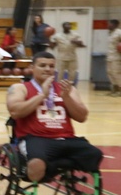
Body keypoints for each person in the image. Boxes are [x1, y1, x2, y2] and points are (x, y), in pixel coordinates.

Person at [6, 51, 102, 183]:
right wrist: (42, 95)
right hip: (35, 138)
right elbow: (15, 112)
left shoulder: (67, 89)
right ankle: (43, 170)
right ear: (32, 68)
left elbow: (82, 117)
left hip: (66, 138)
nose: (47, 69)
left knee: (94, 154)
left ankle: (52, 168)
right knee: (37, 164)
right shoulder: (20, 88)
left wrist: (66, 97)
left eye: (51, 66)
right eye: (43, 65)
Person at [108, 19, 121, 96]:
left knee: (117, 74)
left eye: (110, 24)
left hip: (116, 57)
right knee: (110, 73)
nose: (108, 26)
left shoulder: (119, 32)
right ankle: (115, 90)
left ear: (115, 25)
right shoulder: (111, 33)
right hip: (110, 57)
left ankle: (120, 90)